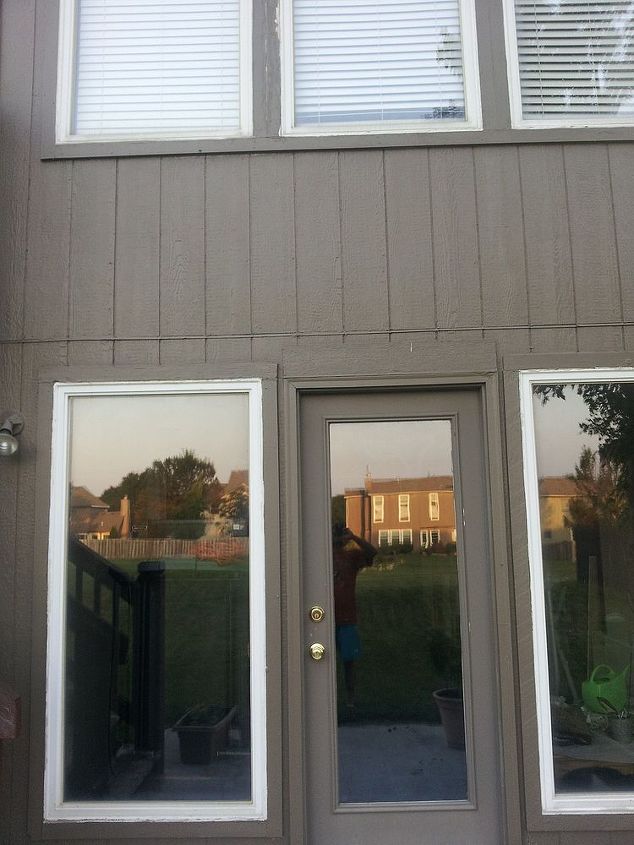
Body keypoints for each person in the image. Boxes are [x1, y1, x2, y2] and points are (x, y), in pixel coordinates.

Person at [332, 523, 377, 712]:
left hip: (347, 618)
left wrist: (354, 538)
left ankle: (351, 699)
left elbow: (372, 552)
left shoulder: (351, 557)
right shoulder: (320, 556)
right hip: (325, 618)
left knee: (348, 661)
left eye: (341, 533)